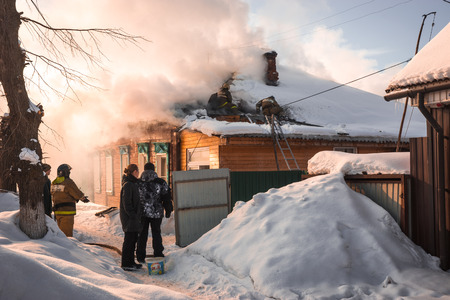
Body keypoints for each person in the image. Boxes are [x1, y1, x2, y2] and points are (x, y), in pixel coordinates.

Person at [136, 162, 173, 263]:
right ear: (154, 170)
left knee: (142, 234)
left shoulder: (138, 182)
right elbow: (166, 197)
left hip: (142, 213)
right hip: (156, 213)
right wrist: (168, 209)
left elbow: (134, 198)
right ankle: (158, 254)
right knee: (156, 233)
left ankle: (140, 256)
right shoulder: (161, 182)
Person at [51, 164, 89, 237]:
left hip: (57, 213)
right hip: (67, 212)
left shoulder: (54, 183)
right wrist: (83, 198)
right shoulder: (68, 182)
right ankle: (67, 248)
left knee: (60, 235)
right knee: (67, 236)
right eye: (69, 172)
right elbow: (77, 193)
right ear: (66, 173)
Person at [120, 164, 143, 271]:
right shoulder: (128, 185)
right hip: (129, 219)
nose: (138, 173)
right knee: (129, 240)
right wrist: (133, 215)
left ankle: (131, 262)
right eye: (138, 171)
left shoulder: (132, 183)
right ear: (134, 172)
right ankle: (126, 263)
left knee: (133, 240)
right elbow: (127, 203)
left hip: (133, 218)